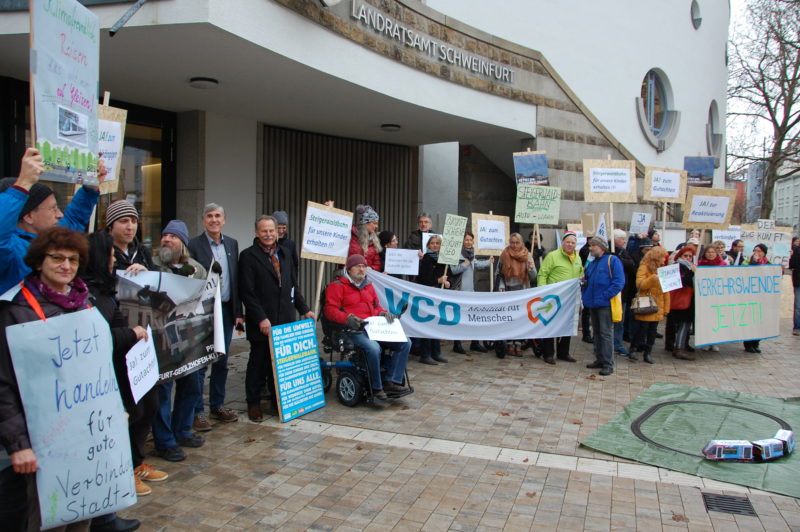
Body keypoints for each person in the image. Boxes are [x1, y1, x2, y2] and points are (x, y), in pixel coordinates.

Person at [0, 227, 94, 532]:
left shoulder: (85, 303)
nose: (66, 266)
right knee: (47, 520)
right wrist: (18, 445)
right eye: (57, 258)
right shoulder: (18, 311)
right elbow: (4, 384)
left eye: (73, 259)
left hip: (85, 432)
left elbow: (98, 367)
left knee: (83, 512)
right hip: (41, 436)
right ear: (39, 262)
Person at [82, 232, 158, 532]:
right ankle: (103, 515)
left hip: (120, 371)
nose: (115, 260)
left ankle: (106, 512)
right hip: (103, 377)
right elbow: (97, 339)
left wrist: (142, 276)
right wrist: (132, 334)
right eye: (110, 256)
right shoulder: (90, 295)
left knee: (142, 411)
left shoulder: (104, 287)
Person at [239, 215, 314, 422]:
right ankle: (253, 403)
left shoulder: (286, 253)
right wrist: (261, 318)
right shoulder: (248, 256)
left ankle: (277, 400)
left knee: (280, 365)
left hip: (284, 320)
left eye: (271, 230)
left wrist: (304, 309)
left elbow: (292, 286)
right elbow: (247, 292)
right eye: (264, 231)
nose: (269, 234)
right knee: (258, 363)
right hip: (262, 322)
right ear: (256, 232)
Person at [0, 147, 105, 293]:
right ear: (29, 216)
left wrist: (90, 187)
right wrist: (23, 183)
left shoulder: (51, 237)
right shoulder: (10, 250)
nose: (60, 214)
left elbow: (73, 219)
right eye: (53, 209)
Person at [151, 220, 208, 462]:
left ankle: (183, 430)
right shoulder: (151, 265)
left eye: (172, 236)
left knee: (192, 385)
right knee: (163, 390)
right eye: (164, 235)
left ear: (182, 243)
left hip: (190, 338)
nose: (166, 239)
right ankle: (164, 441)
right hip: (162, 339)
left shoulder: (197, 269)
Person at [324, 254, 411, 400]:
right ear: (349, 269)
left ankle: (392, 381)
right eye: (358, 266)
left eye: (364, 266)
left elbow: (376, 308)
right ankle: (376, 388)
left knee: (406, 342)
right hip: (352, 330)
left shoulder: (368, 286)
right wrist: (347, 318)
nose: (361, 269)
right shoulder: (337, 286)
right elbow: (330, 310)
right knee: (373, 348)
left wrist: (384, 313)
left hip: (373, 327)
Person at [188, 204, 243, 430]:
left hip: (227, 310)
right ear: (203, 221)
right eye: (209, 216)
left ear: (224, 220)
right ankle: (197, 410)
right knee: (202, 362)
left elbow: (235, 279)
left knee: (222, 359)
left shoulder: (232, 244)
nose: (213, 220)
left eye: (217, 216)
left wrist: (239, 313)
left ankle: (217, 405)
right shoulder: (193, 245)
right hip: (204, 312)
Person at [537, 231, 583, 364]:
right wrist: (543, 292)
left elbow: (581, 273)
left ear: (576, 244)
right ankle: (548, 353)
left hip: (569, 298)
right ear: (562, 243)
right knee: (550, 325)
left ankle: (563, 353)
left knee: (566, 325)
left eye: (573, 243)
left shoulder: (578, 258)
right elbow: (542, 274)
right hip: (553, 298)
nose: (570, 245)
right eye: (568, 242)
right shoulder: (552, 256)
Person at [582, 237, 625, 375]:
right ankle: (599, 359)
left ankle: (608, 363)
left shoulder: (612, 261)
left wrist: (604, 296)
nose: (590, 248)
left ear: (601, 247)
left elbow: (618, 282)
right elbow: (587, 280)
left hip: (605, 304)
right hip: (593, 303)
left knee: (605, 333)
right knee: (597, 332)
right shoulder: (593, 263)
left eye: (593, 245)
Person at [449, 231, 494, 354]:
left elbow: (477, 264)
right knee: (459, 319)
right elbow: (452, 270)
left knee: (473, 318)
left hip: (471, 292)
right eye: (466, 240)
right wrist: (464, 264)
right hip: (459, 291)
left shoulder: (472, 255)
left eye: (471, 240)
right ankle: (457, 344)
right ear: (462, 241)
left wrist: (489, 262)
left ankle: (475, 343)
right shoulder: (457, 254)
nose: (469, 242)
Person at [495, 232, 537, 357]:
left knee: (520, 318)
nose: (514, 245)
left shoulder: (527, 255)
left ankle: (518, 344)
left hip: (522, 291)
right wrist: (501, 288)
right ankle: (509, 344)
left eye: (517, 242)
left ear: (521, 243)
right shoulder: (504, 254)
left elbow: (533, 277)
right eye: (512, 242)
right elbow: (498, 273)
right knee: (508, 318)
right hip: (508, 290)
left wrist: (531, 268)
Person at [629, 246, 670, 364]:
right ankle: (634, 349)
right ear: (656, 257)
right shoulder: (644, 267)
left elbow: (667, 290)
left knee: (653, 330)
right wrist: (653, 278)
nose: (664, 260)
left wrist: (666, 307)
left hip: (658, 304)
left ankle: (648, 352)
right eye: (662, 257)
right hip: (646, 304)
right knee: (642, 328)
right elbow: (640, 285)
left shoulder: (663, 268)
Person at [416, 235, 449, 364]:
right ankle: (425, 354)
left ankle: (436, 352)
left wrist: (447, 282)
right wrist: (437, 280)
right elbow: (423, 278)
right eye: (432, 243)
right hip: (427, 295)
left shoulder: (443, 260)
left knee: (436, 324)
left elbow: (447, 274)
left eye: (437, 243)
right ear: (428, 245)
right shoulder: (426, 259)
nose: (435, 245)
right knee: (428, 324)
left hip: (438, 294)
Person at [104, 199, 154, 274]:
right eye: (124, 221)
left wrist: (147, 274)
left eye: (134, 221)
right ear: (110, 226)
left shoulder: (143, 252)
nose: (130, 227)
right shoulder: (100, 252)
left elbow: (155, 281)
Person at [611, 229, 636, 357]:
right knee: (609, 321)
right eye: (622, 239)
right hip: (611, 292)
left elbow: (631, 264)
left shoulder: (623, 252)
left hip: (623, 292)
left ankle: (617, 344)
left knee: (620, 320)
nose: (624, 241)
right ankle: (605, 344)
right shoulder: (609, 250)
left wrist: (619, 259)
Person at [671, 244, 697, 360]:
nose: (688, 258)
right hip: (682, 299)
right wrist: (692, 273)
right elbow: (683, 281)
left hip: (688, 299)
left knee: (686, 324)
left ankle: (683, 345)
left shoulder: (689, 266)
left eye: (690, 256)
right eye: (685, 255)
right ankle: (679, 348)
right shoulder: (678, 266)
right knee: (683, 324)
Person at [743, 243, 769, 353]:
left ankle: (756, 343)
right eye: (755, 251)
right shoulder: (747, 262)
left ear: (764, 253)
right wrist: (753, 262)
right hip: (749, 296)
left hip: (761, 297)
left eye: (759, 251)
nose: (756, 253)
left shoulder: (768, 263)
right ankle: (748, 344)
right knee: (750, 321)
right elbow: (745, 272)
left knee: (759, 321)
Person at [349, 204, 382, 271]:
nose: (377, 226)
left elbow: (377, 264)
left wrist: (371, 269)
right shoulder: (350, 235)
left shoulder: (374, 241)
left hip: (366, 278)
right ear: (366, 223)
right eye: (374, 223)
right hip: (349, 277)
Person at [272, 210, 299, 275]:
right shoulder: (269, 244)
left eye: (283, 228)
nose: (281, 231)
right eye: (278, 228)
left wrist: (293, 283)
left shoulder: (290, 244)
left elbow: (295, 265)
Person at [791, 236, 800, 336]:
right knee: (798, 306)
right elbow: (792, 265)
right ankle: (797, 327)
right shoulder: (796, 251)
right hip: (798, 281)